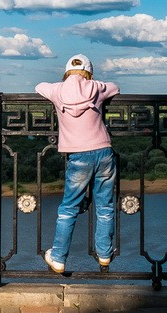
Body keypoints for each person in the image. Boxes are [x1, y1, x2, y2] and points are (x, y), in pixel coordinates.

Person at [35, 54, 120, 274]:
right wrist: (95, 85)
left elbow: (39, 86)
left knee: (68, 208)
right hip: (103, 152)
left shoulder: (56, 91)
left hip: (78, 156)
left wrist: (60, 86)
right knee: (105, 206)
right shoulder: (97, 88)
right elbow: (115, 87)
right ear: (89, 72)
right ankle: (104, 254)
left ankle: (59, 257)